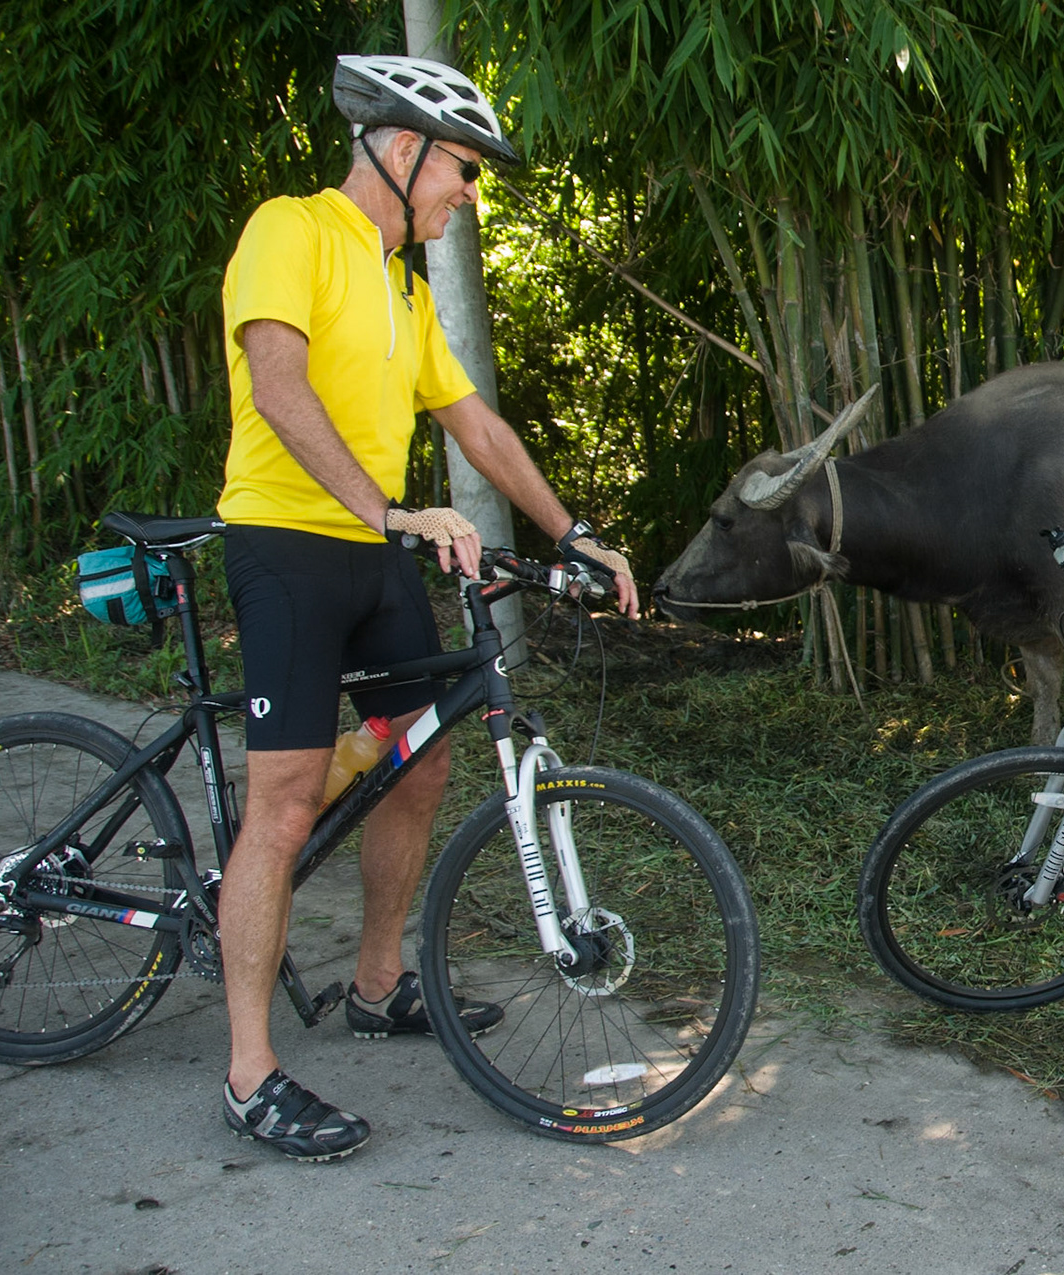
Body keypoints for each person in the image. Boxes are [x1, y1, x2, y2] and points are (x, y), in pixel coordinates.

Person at [216, 54, 641, 1162]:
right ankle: (251, 1070)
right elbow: (279, 387)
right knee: (285, 804)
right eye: (462, 169)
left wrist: (571, 531)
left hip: (371, 549)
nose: (470, 193)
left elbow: (477, 427)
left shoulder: (405, 288)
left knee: (423, 758)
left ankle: (374, 982)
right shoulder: (290, 231)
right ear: (402, 152)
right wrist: (392, 512)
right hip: (288, 544)